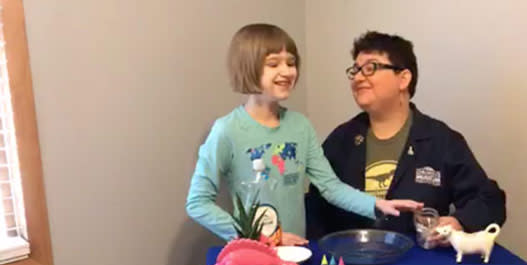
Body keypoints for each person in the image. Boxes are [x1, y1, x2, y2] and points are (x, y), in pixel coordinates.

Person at [186, 24, 421, 245]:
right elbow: (198, 203)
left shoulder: (300, 127)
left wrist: (378, 204)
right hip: (253, 256)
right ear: (249, 66)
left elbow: (331, 187)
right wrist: (260, 237)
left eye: (291, 63)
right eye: (274, 64)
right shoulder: (227, 131)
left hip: (297, 253)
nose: (287, 71)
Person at [306, 31, 506, 241]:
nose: (357, 77)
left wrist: (460, 222)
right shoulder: (341, 139)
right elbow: (315, 207)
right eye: (355, 70)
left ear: (403, 79)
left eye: (370, 68)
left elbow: (489, 200)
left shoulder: (441, 140)